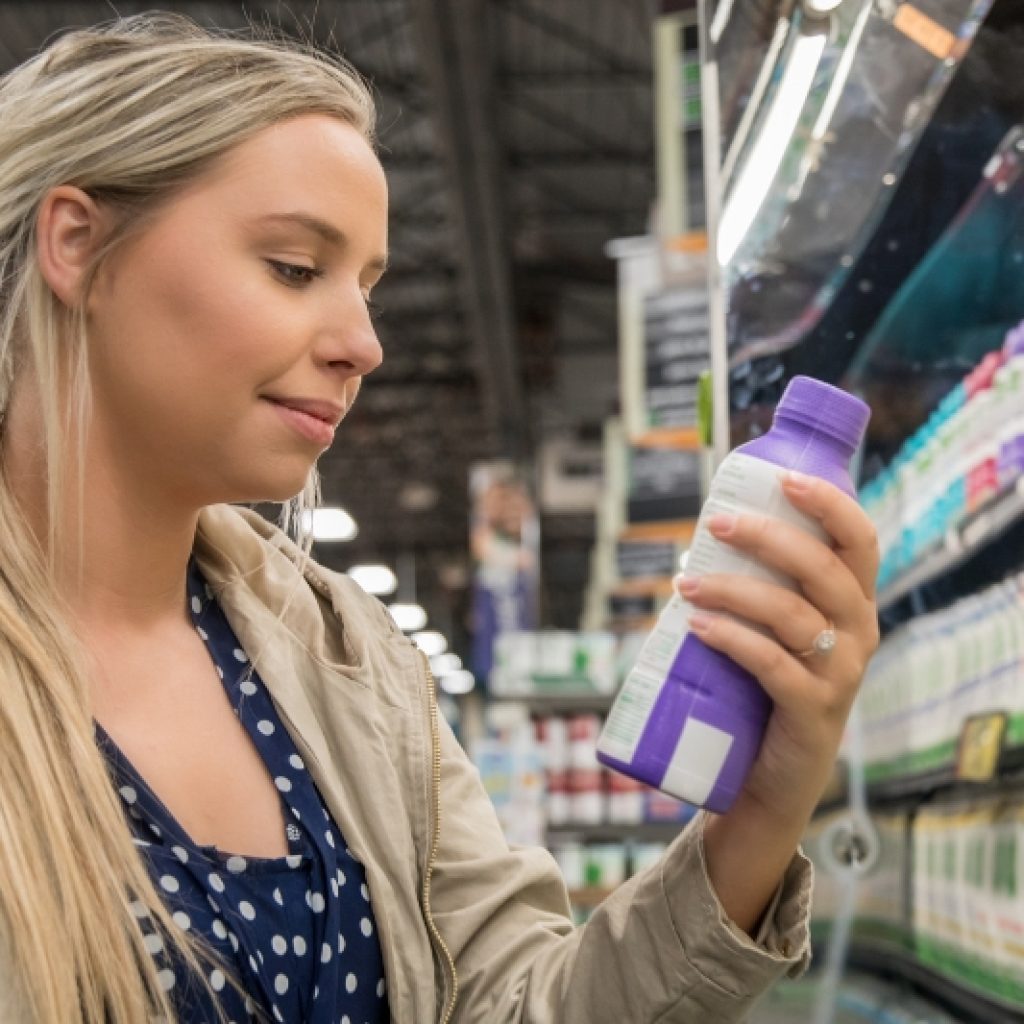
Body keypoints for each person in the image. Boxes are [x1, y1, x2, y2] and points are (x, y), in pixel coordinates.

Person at [0, 13, 881, 1024]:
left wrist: (765, 807)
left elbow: (519, 1003)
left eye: (368, 286)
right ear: (78, 244)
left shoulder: (349, 659)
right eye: (294, 266)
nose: (364, 344)